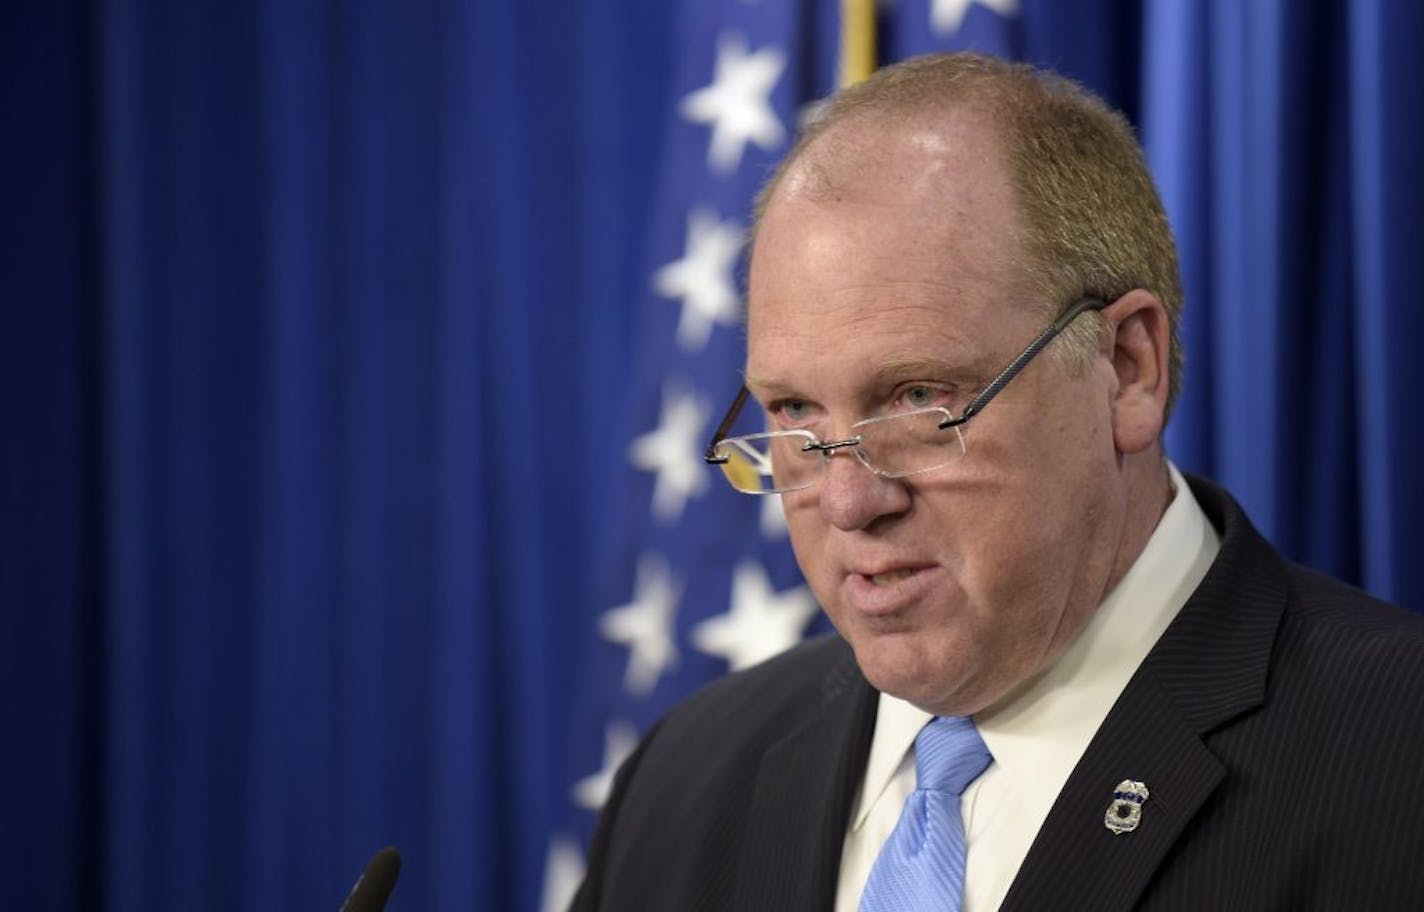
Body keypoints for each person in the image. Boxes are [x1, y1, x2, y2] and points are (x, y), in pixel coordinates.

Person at [572, 53, 1424, 911]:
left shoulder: (1398, 761)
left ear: (1127, 369)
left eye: (917, 398)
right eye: (795, 413)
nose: (847, 501)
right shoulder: (686, 782)